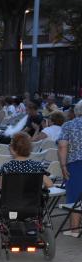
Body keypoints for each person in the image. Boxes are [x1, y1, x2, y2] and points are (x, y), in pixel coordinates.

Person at [58, 100, 82, 237]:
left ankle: (75, 229)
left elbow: (62, 146)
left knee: (75, 196)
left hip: (76, 163)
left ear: (77, 111)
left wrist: (63, 165)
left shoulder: (69, 125)